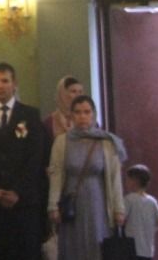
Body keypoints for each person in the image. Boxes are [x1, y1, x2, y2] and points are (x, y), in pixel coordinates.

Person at [0, 62, 47, 260]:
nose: (0, 86)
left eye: (5, 81)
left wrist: (17, 191)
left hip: (23, 201)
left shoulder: (30, 115)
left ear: (14, 84)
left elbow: (35, 157)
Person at [47, 95, 126, 260]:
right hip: (71, 204)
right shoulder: (62, 142)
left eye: (86, 112)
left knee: (97, 244)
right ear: (71, 115)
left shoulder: (106, 142)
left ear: (93, 114)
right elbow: (56, 174)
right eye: (77, 112)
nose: (82, 116)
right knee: (72, 246)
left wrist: (119, 209)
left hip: (98, 203)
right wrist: (53, 205)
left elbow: (114, 178)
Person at [122, 164, 158, 260]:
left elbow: (122, 219)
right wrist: (151, 229)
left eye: (128, 180)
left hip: (132, 246)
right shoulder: (152, 201)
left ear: (135, 181)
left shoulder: (129, 199)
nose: (126, 182)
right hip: (148, 248)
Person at [46, 76, 85, 141]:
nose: (78, 95)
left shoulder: (90, 120)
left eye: (80, 92)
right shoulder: (49, 123)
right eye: (73, 91)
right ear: (62, 94)